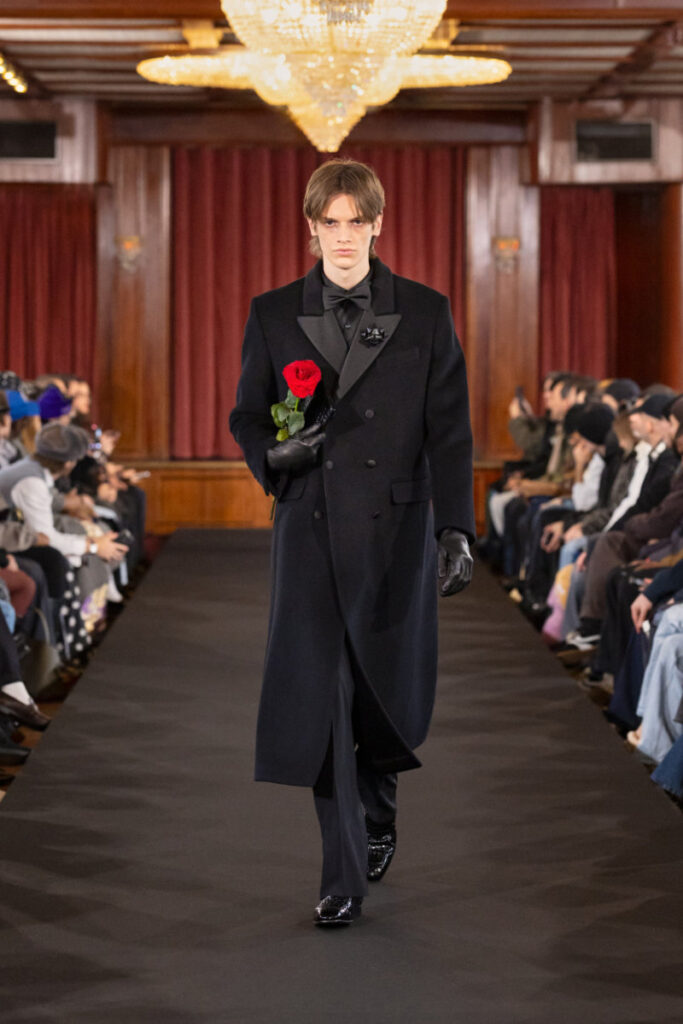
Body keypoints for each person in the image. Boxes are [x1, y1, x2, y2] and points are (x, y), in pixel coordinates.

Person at [230, 158, 474, 927]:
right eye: (329, 223)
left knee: (381, 693)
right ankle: (340, 876)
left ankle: (379, 808)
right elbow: (247, 414)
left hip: (396, 531)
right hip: (309, 530)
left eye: (355, 222)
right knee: (323, 698)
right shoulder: (273, 313)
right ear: (310, 228)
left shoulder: (425, 311)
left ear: (377, 225)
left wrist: (455, 527)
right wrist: (273, 456)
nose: (342, 236)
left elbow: (449, 432)